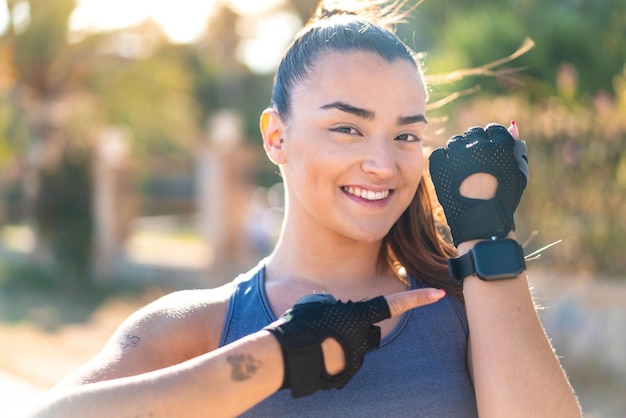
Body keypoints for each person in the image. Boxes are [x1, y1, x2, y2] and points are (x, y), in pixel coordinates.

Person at [32, 0, 581, 416]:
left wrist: (484, 234)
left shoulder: (458, 306)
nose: (383, 165)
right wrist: (284, 355)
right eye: (347, 128)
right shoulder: (203, 324)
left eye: (406, 136)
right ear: (276, 137)